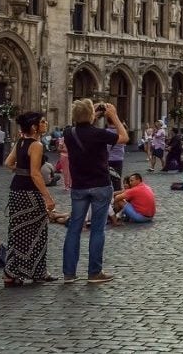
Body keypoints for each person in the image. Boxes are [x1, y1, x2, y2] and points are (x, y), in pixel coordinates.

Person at [62, 99, 129, 284]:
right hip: (100, 184)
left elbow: (80, 122)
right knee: (97, 230)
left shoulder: (69, 133)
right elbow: (124, 138)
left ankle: (69, 273)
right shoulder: (100, 134)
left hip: (79, 187)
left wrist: (93, 112)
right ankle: (94, 272)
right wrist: (113, 116)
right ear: (91, 116)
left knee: (74, 229)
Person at [4, 111, 58, 285]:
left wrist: (20, 170)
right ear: (35, 127)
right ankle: (37, 271)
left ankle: (11, 273)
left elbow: (8, 163)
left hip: (16, 191)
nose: (45, 124)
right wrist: (48, 197)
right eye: (42, 122)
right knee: (38, 232)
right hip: (30, 193)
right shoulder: (36, 145)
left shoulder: (20, 142)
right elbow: (35, 174)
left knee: (17, 232)